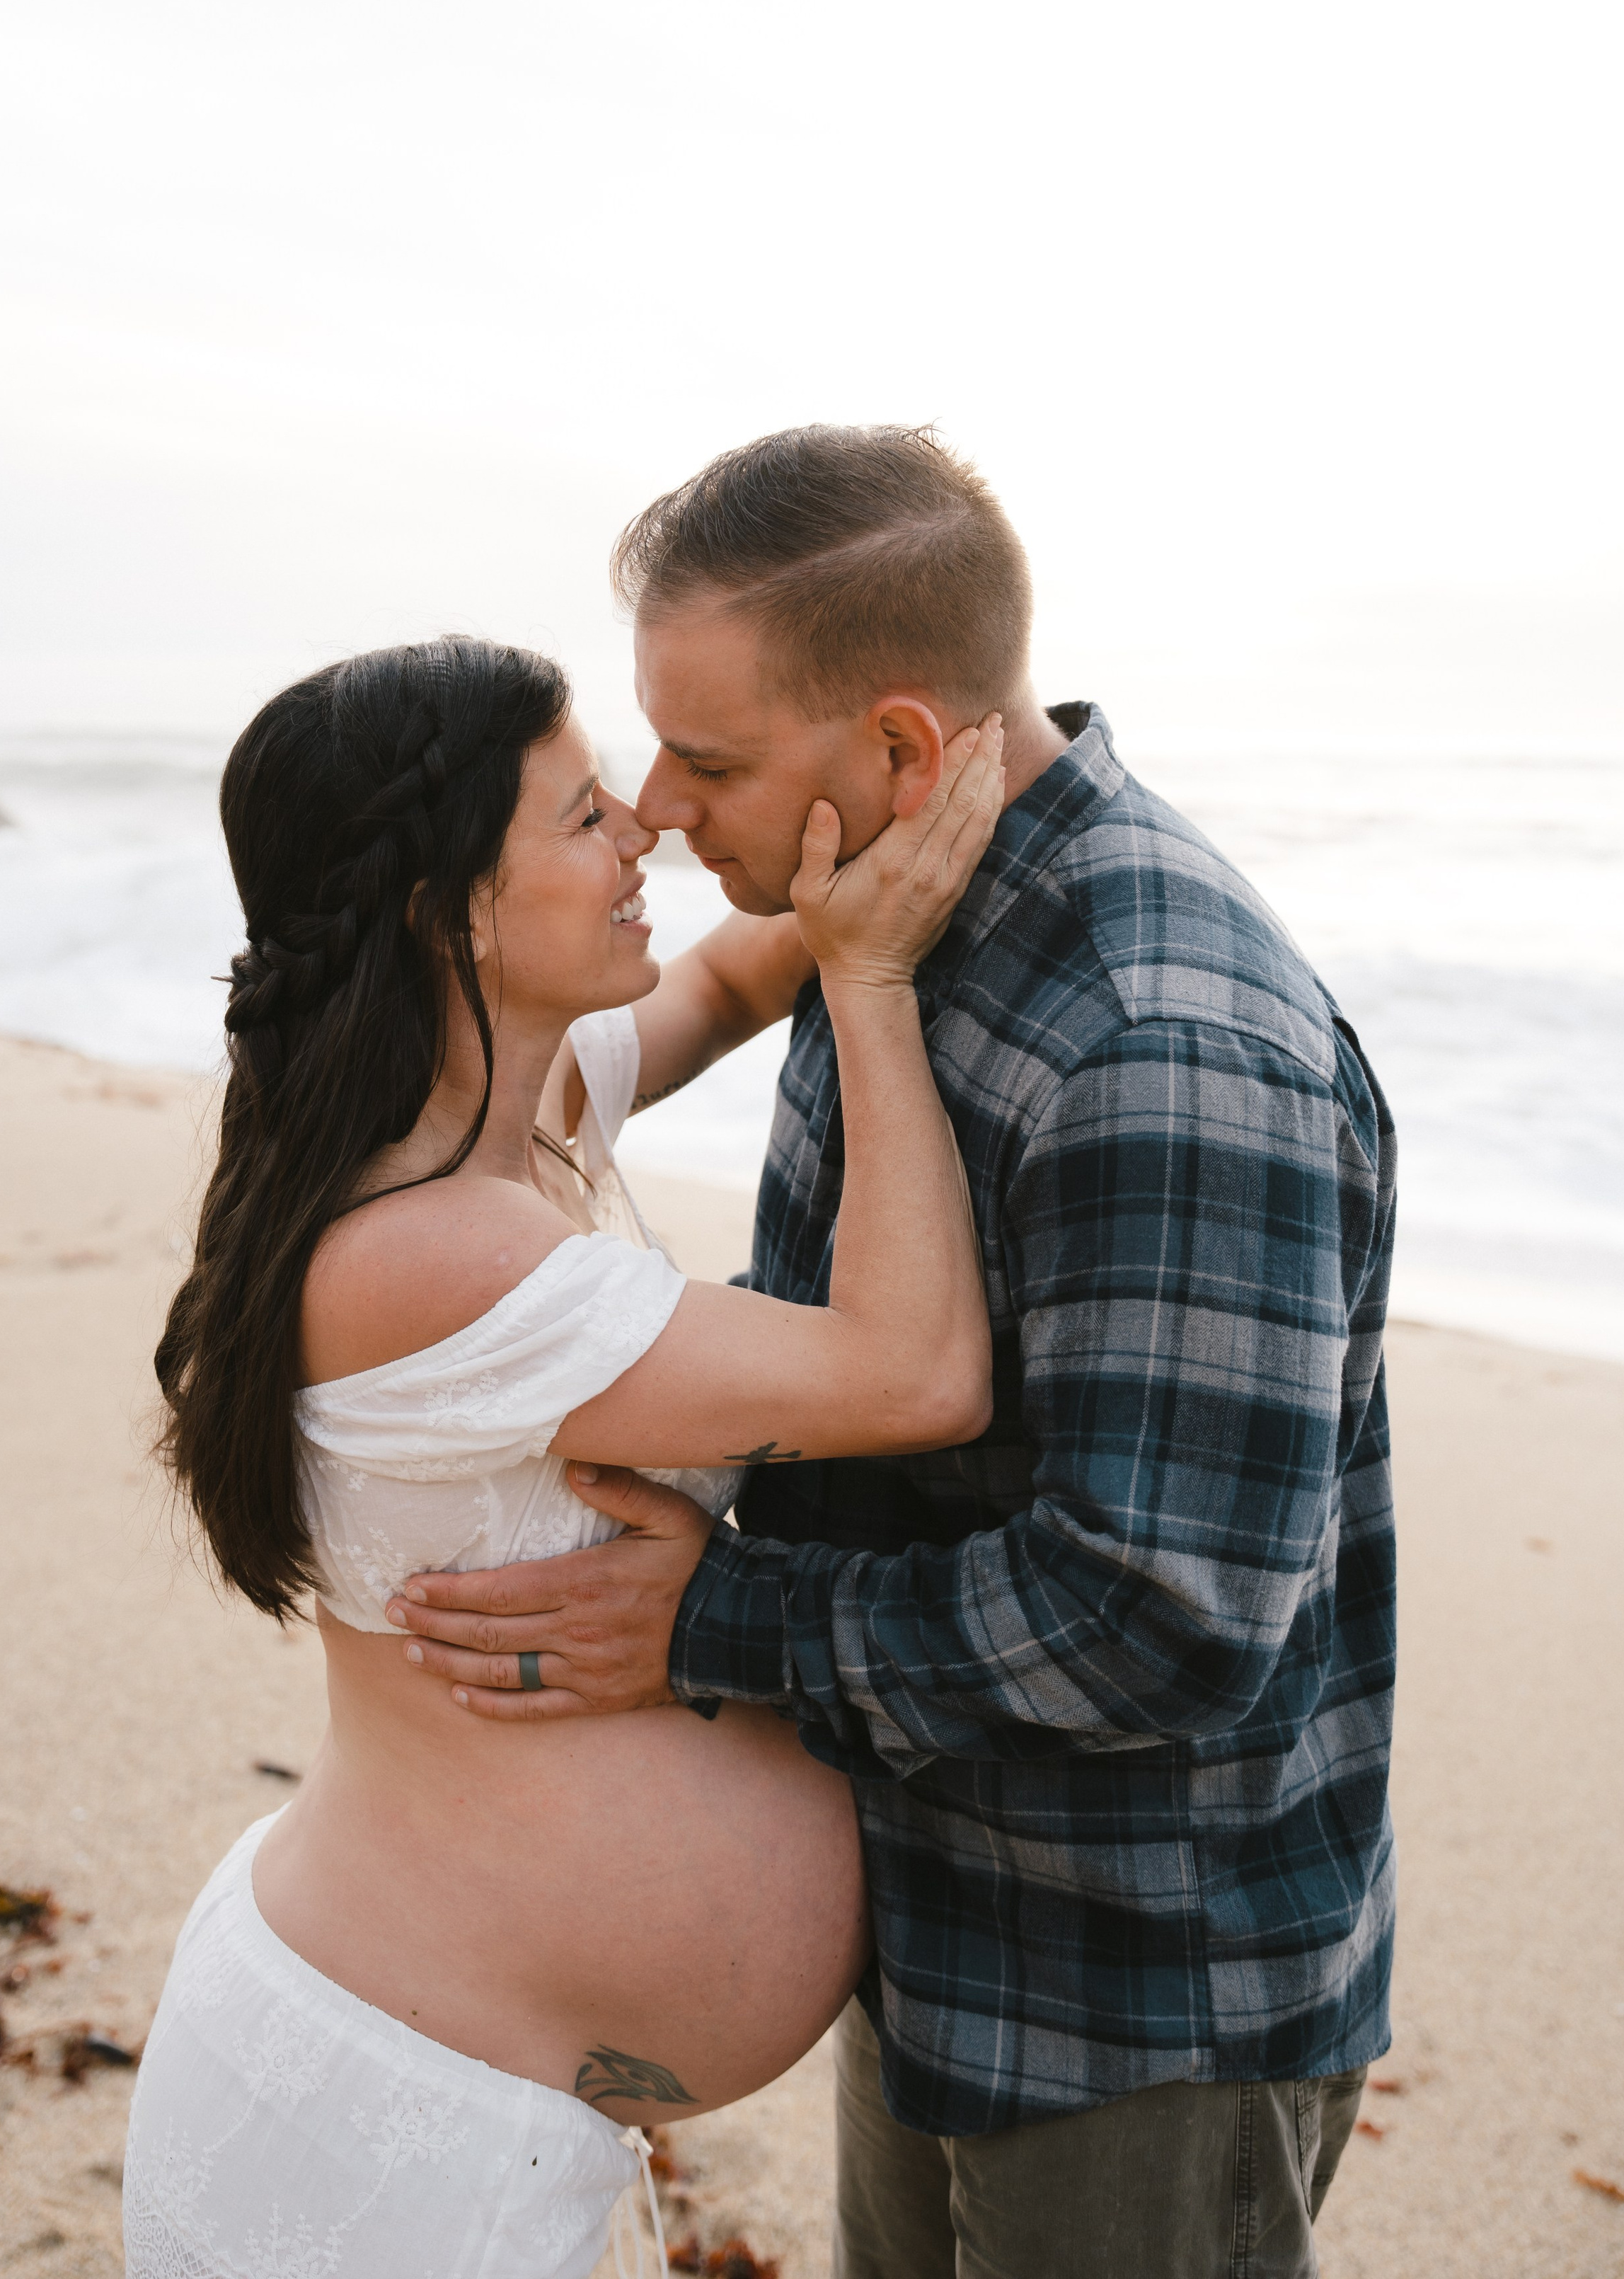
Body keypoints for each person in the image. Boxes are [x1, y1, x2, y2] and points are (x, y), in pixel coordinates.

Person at [392, 426, 1400, 2279]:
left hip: (1135, 2002)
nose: (665, 809)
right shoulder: (886, 919)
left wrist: (714, 1620)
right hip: (944, 1917)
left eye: (708, 759)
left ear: (902, 752)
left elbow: (1163, 1616)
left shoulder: (1155, 1042)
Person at [123, 633, 1005, 2279]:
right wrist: (874, 987)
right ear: (442, 908)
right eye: (584, 813)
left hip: (428, 2055)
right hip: (389, 2129)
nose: (645, 834)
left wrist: (915, 773)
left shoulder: (519, 1113)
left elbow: (742, 974)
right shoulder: (429, 1252)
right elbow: (916, 1373)